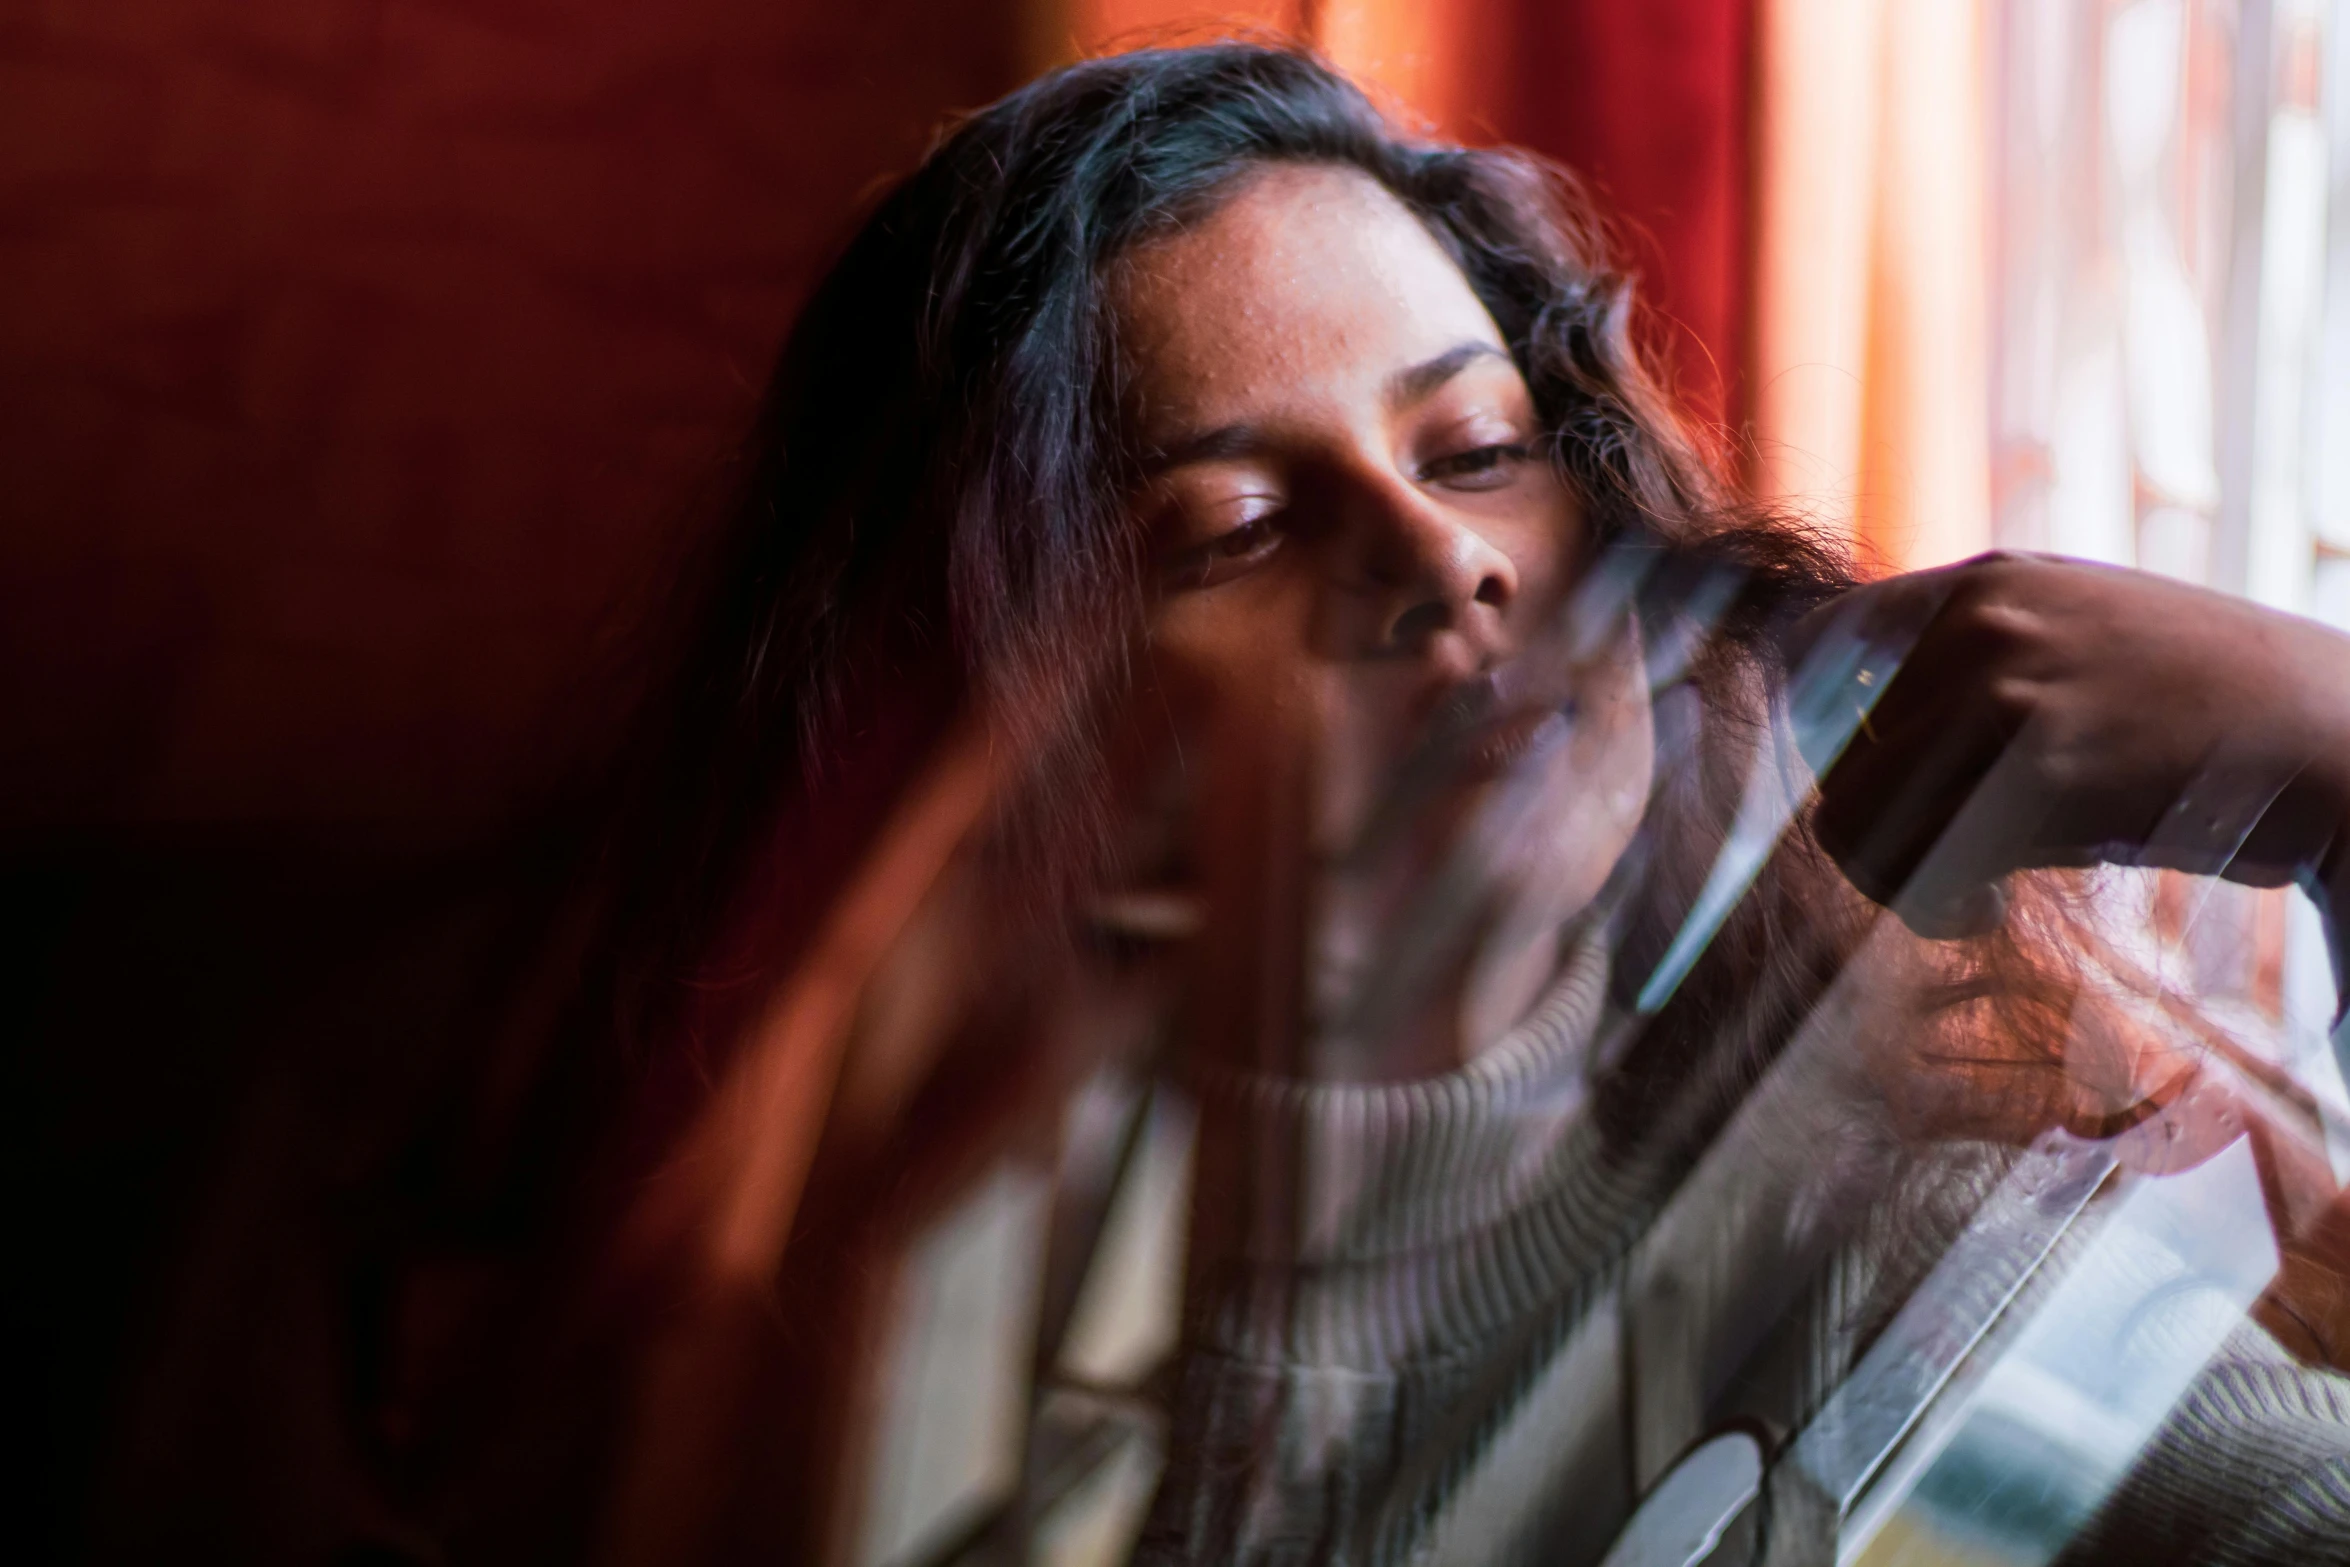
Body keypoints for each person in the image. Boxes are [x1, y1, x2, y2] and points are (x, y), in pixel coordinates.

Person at [574, 41, 2350, 1566]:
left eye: (1479, 449)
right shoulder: (888, 1329)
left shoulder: (1891, 1270)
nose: (1439, 561)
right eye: (1240, 535)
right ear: (1014, 751)